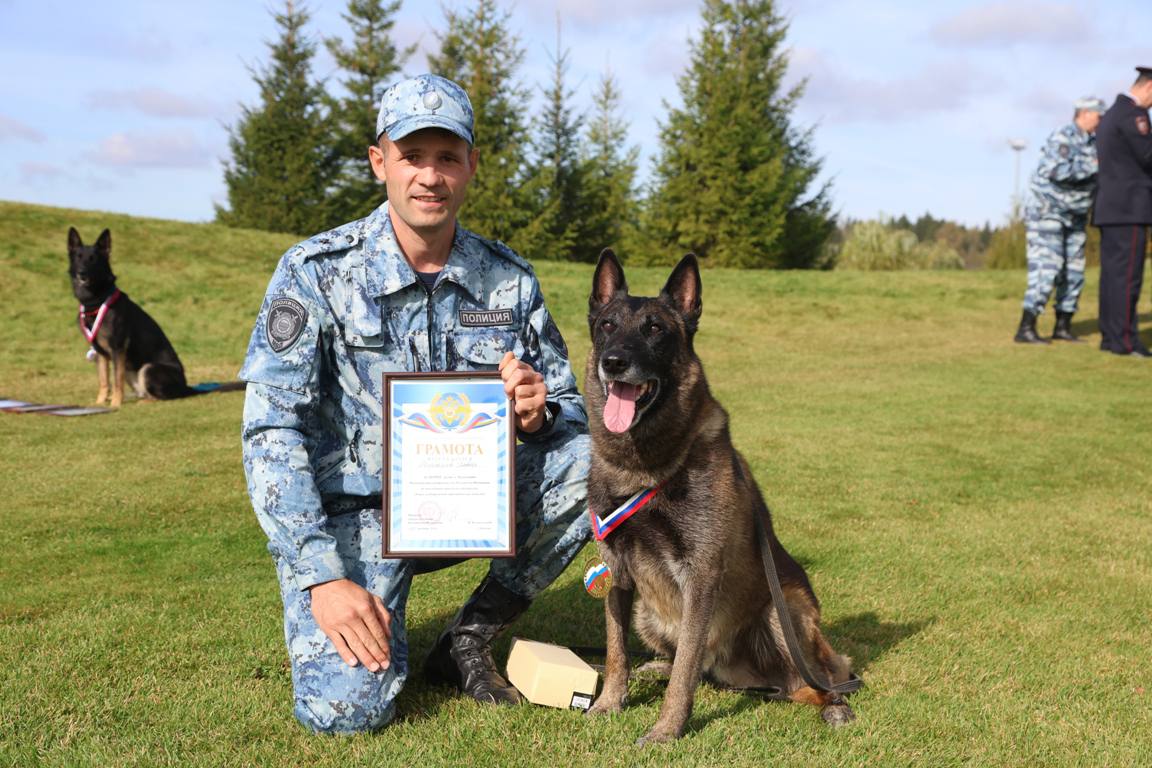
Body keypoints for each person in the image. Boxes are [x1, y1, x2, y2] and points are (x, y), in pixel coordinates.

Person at [239, 74, 591, 734]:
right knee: (345, 712)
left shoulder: (508, 280)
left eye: (447, 157)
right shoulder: (314, 272)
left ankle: (470, 637)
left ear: (471, 167)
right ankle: (368, 605)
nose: (430, 176)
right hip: (356, 518)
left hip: (468, 504)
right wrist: (322, 578)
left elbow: (569, 408)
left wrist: (536, 414)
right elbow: (269, 431)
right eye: (412, 156)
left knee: (590, 459)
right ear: (380, 163)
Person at [1014, 97, 1105, 344]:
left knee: (1074, 272)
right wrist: (1096, 165)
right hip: (1048, 213)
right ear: (1085, 113)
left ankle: (1063, 327)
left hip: (1075, 216)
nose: (1102, 121)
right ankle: (1026, 327)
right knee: (1047, 268)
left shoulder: (1095, 142)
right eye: (1099, 115)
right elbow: (1058, 172)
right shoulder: (1063, 136)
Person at [1093, 66, 1152, 356]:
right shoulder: (1133, 115)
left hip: (1110, 207)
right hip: (1130, 208)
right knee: (1128, 277)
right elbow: (1148, 155)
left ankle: (1110, 335)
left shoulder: (1111, 115)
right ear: (1149, 88)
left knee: (1112, 277)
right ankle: (1125, 341)